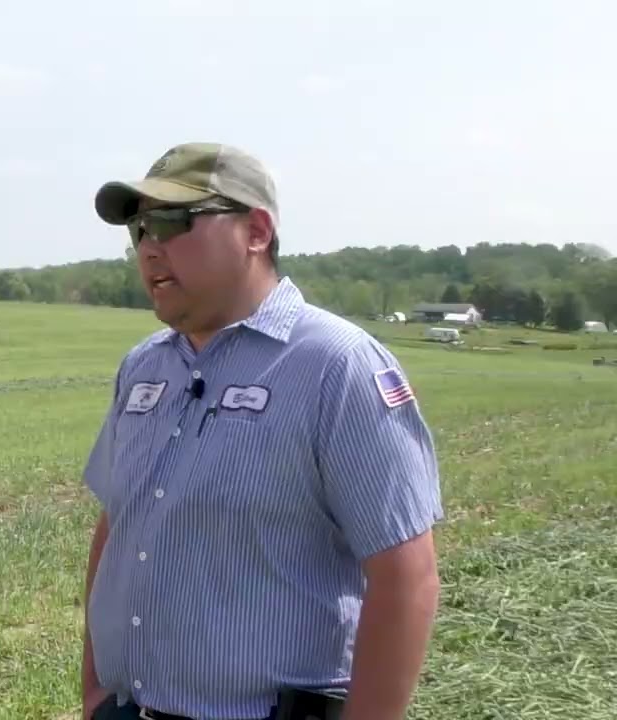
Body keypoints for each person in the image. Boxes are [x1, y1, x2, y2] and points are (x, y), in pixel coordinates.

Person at [79, 142, 443, 720]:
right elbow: (118, 527)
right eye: (140, 229)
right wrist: (95, 692)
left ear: (256, 230)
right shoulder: (145, 367)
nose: (150, 247)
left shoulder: (336, 366)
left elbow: (407, 578)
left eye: (174, 221)